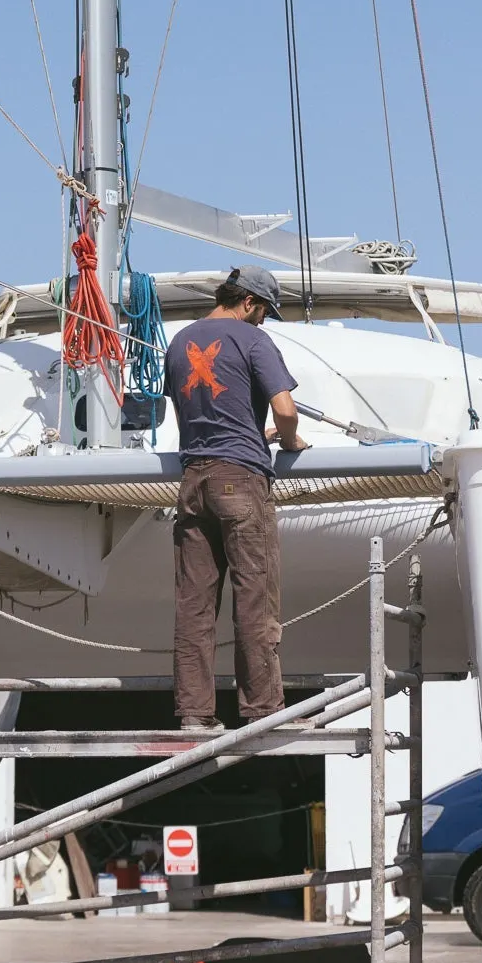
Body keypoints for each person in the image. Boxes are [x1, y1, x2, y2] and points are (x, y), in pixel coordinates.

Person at [163, 264, 306, 732]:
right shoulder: (253, 340)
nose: (264, 321)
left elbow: (201, 409)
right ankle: (262, 711)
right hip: (240, 479)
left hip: (193, 482)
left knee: (195, 604)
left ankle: (195, 714)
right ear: (249, 302)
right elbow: (286, 409)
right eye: (263, 312)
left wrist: (248, 431)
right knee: (255, 599)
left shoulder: (180, 341)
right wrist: (289, 441)